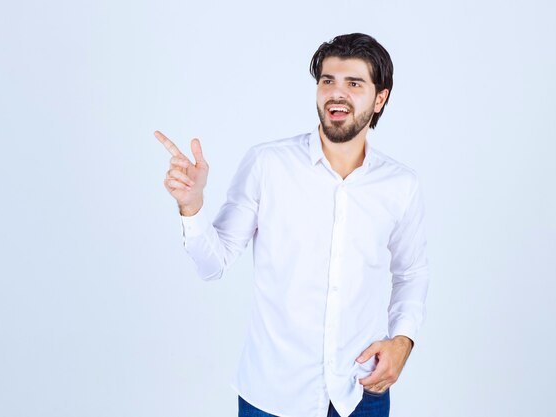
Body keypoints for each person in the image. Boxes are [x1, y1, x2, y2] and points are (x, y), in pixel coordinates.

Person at [156, 33, 429, 417]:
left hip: (361, 391)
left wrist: (403, 341)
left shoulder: (400, 185)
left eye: (354, 83)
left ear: (380, 98)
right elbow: (212, 264)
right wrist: (192, 204)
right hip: (272, 395)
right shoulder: (268, 165)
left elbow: (411, 272)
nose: (337, 93)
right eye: (328, 81)